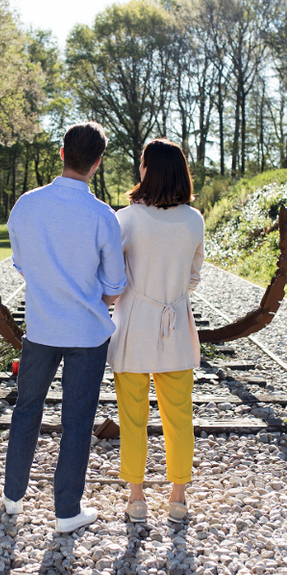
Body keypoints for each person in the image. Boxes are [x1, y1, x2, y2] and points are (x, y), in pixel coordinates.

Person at [1, 121, 127, 534]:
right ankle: (66, 511)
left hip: (40, 327)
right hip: (87, 334)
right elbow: (115, 284)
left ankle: (12, 497)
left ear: (61, 153)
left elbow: (20, 263)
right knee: (77, 419)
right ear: (96, 163)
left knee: (27, 409)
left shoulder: (26, 205)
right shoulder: (102, 216)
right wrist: (98, 296)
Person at [107, 138, 204, 524]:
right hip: (176, 326)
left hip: (132, 328)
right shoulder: (193, 220)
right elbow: (194, 278)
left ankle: (136, 497)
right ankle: (178, 497)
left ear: (149, 170)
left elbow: (112, 277)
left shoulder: (126, 219)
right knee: (178, 416)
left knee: (132, 417)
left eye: (142, 163)